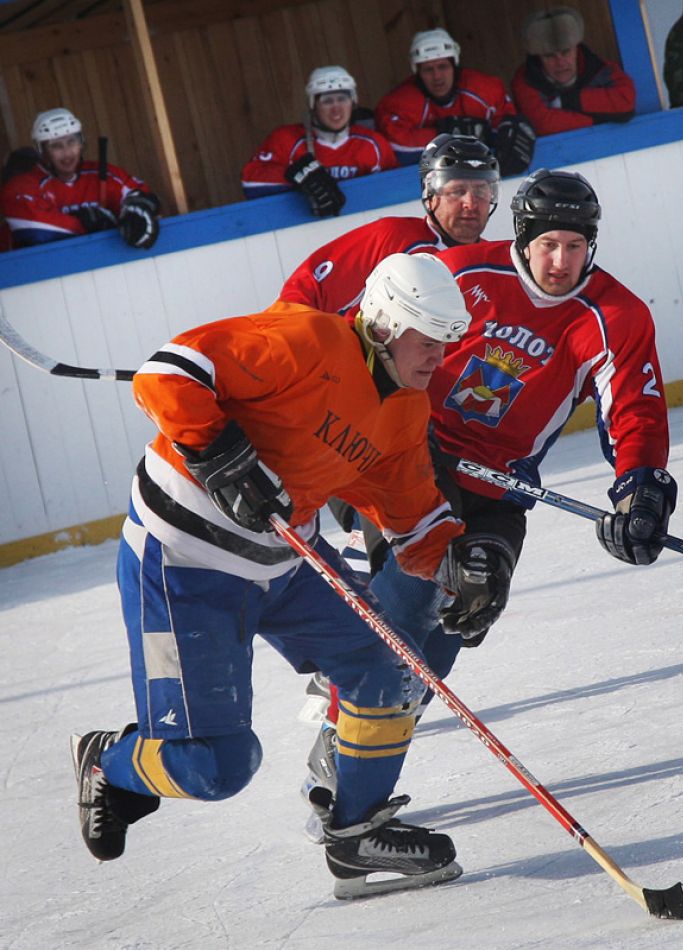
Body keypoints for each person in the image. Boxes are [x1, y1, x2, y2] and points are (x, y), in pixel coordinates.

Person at [69, 252, 514, 900]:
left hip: (284, 562)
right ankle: (109, 762)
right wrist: (216, 448)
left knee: (388, 667)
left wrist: (460, 568)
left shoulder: (405, 409)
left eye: (445, 343)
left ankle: (356, 832)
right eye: (427, 341)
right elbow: (168, 373)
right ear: (385, 325)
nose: (438, 359)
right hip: (183, 564)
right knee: (216, 766)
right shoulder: (306, 340)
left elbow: (412, 515)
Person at [301, 169, 677, 836]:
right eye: (548, 245)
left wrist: (641, 488)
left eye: (575, 246)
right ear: (523, 239)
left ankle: (370, 737)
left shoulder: (613, 315)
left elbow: (634, 409)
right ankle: (344, 745)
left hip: (500, 489)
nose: (561, 262)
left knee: (461, 618)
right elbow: (373, 337)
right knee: (414, 594)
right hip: (406, 457)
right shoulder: (461, 272)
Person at [280, 133, 501, 317]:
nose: (470, 203)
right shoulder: (391, 238)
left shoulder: (495, 264)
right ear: (430, 194)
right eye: (457, 191)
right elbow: (301, 294)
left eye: (481, 191)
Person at [375, 28, 535, 177]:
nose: (437, 76)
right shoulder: (399, 104)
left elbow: (506, 127)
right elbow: (396, 149)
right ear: (417, 73)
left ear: (454, 65)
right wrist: (446, 137)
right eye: (428, 69)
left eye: (442, 66)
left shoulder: (485, 90)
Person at [241, 65, 397, 217]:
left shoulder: (373, 144)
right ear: (313, 105)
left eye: (342, 99)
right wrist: (295, 174)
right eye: (327, 101)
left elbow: (397, 188)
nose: (336, 109)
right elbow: (250, 181)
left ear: (353, 102)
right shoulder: (286, 139)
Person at [0, 108, 160, 249]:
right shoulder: (21, 186)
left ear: (81, 142)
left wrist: (137, 211)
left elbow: (140, 194)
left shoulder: (103, 174)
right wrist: (86, 224)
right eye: (56, 146)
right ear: (42, 151)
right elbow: (36, 231)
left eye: (72, 142)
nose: (67, 153)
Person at [511, 5, 636, 137]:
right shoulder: (525, 80)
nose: (560, 62)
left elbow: (625, 100)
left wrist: (567, 101)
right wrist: (600, 119)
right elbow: (543, 125)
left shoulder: (600, 68)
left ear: (577, 49)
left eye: (566, 52)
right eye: (549, 56)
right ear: (538, 57)